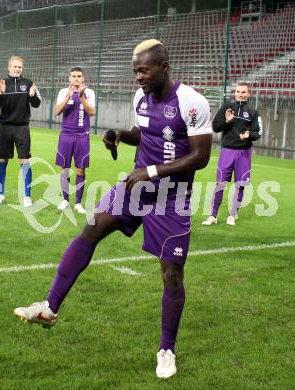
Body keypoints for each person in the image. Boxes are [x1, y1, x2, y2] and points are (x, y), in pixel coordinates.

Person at [14, 39, 212, 379]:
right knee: (90, 229)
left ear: (163, 67)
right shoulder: (141, 97)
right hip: (134, 189)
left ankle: (167, 349)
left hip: (171, 198)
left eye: (143, 70)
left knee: (172, 274)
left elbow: (200, 156)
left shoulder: (192, 103)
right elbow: (144, 133)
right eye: (135, 70)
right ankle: (49, 307)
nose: (137, 77)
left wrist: (149, 171)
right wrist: (120, 134)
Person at [202, 82, 262, 226]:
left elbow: (258, 132)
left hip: (244, 153)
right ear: (234, 93)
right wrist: (227, 122)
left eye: (243, 92)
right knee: (220, 184)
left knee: (240, 185)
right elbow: (216, 127)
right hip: (227, 151)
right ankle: (213, 216)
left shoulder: (253, 111)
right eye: (238, 91)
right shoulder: (227, 107)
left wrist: (249, 135)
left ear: (248, 94)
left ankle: (232, 216)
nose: (240, 94)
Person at [0, 56, 41, 207]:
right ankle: (0, 194)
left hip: (22, 127)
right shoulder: (1, 83)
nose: (17, 69)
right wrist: (1, 93)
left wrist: (32, 96)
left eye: (19, 67)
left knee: (24, 161)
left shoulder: (29, 83)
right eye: (14, 66)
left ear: (22, 68)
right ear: (9, 67)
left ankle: (27, 196)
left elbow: (37, 104)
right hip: (5, 127)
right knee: (2, 160)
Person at [54, 66, 95, 214]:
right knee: (64, 169)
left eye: (79, 76)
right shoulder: (63, 92)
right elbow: (57, 112)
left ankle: (78, 203)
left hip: (82, 136)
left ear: (83, 78)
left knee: (80, 169)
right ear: (69, 78)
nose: (76, 79)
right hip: (65, 135)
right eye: (74, 76)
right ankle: (65, 200)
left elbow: (91, 112)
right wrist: (68, 97)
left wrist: (81, 97)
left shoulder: (89, 93)